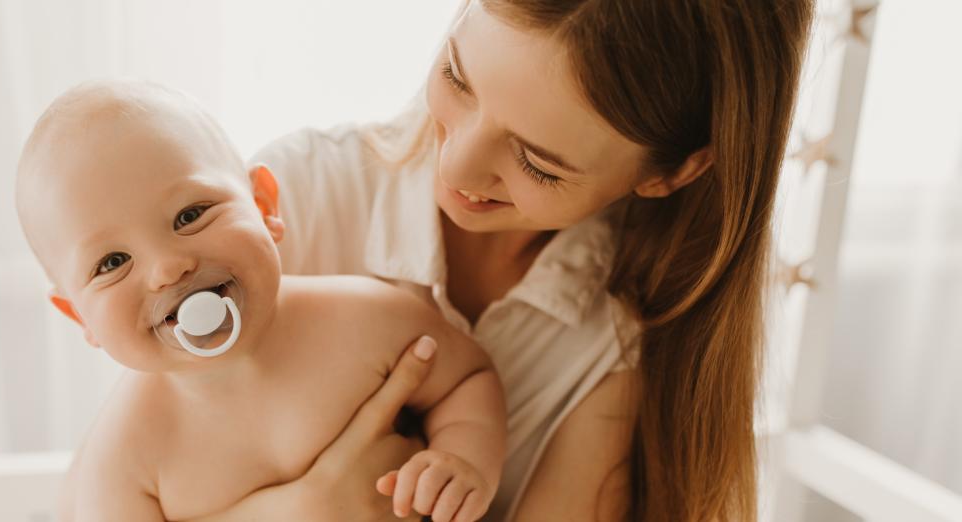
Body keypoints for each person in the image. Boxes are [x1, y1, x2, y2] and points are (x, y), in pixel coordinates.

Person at [195, 1, 814, 520]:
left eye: (538, 164)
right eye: (457, 77)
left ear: (671, 173)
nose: (456, 166)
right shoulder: (295, 201)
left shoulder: (617, 343)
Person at [15, 80, 507, 522]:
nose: (168, 268)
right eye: (112, 262)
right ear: (80, 317)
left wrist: (462, 458)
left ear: (264, 206)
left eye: (190, 215)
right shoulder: (126, 461)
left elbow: (466, 377)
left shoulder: (366, 320)